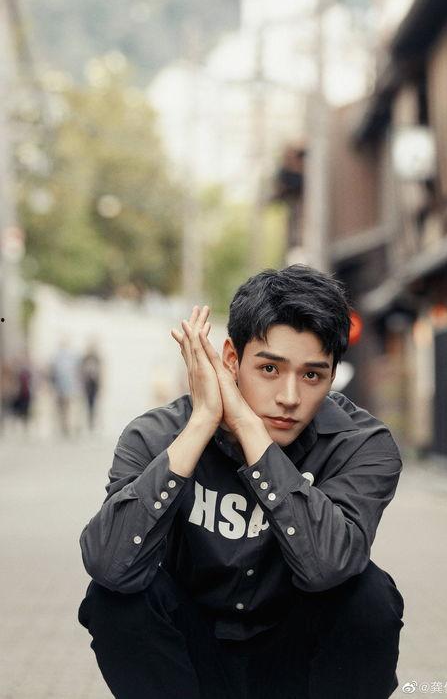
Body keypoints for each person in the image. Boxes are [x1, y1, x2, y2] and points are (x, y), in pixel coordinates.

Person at [77, 265, 405, 699]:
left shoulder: (359, 443)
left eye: (312, 375)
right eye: (269, 369)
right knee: (114, 598)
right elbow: (108, 563)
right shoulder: (158, 435)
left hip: (295, 667)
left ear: (331, 376)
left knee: (369, 595)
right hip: (189, 665)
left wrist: (250, 431)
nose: (289, 398)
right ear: (231, 359)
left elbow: (327, 568)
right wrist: (202, 422)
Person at [80, 342, 102, 431]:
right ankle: (88, 422)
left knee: (94, 404)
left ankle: (93, 423)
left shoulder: (97, 358)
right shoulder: (85, 358)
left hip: (94, 384)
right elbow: (81, 370)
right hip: (87, 385)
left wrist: (101, 384)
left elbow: (101, 371)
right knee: (87, 404)